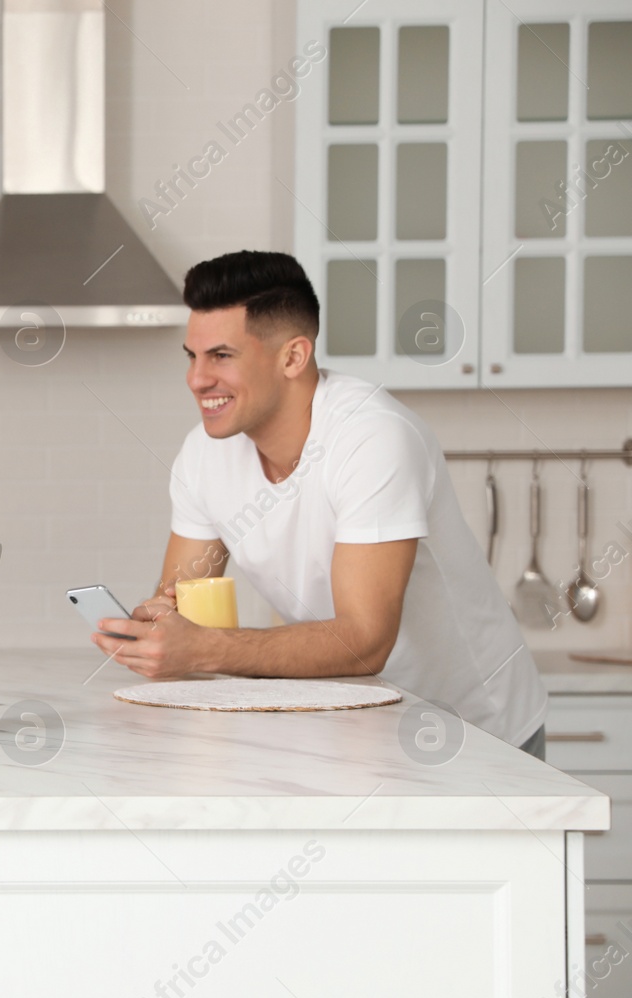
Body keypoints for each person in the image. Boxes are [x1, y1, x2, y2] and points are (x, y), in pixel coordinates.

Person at [89, 251, 548, 757]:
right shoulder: (205, 452)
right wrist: (159, 626)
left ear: (293, 357)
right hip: (353, 717)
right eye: (191, 356)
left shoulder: (372, 438)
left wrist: (205, 646)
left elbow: (366, 641)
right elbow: (180, 596)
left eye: (220, 356)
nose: (197, 379)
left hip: (475, 731)